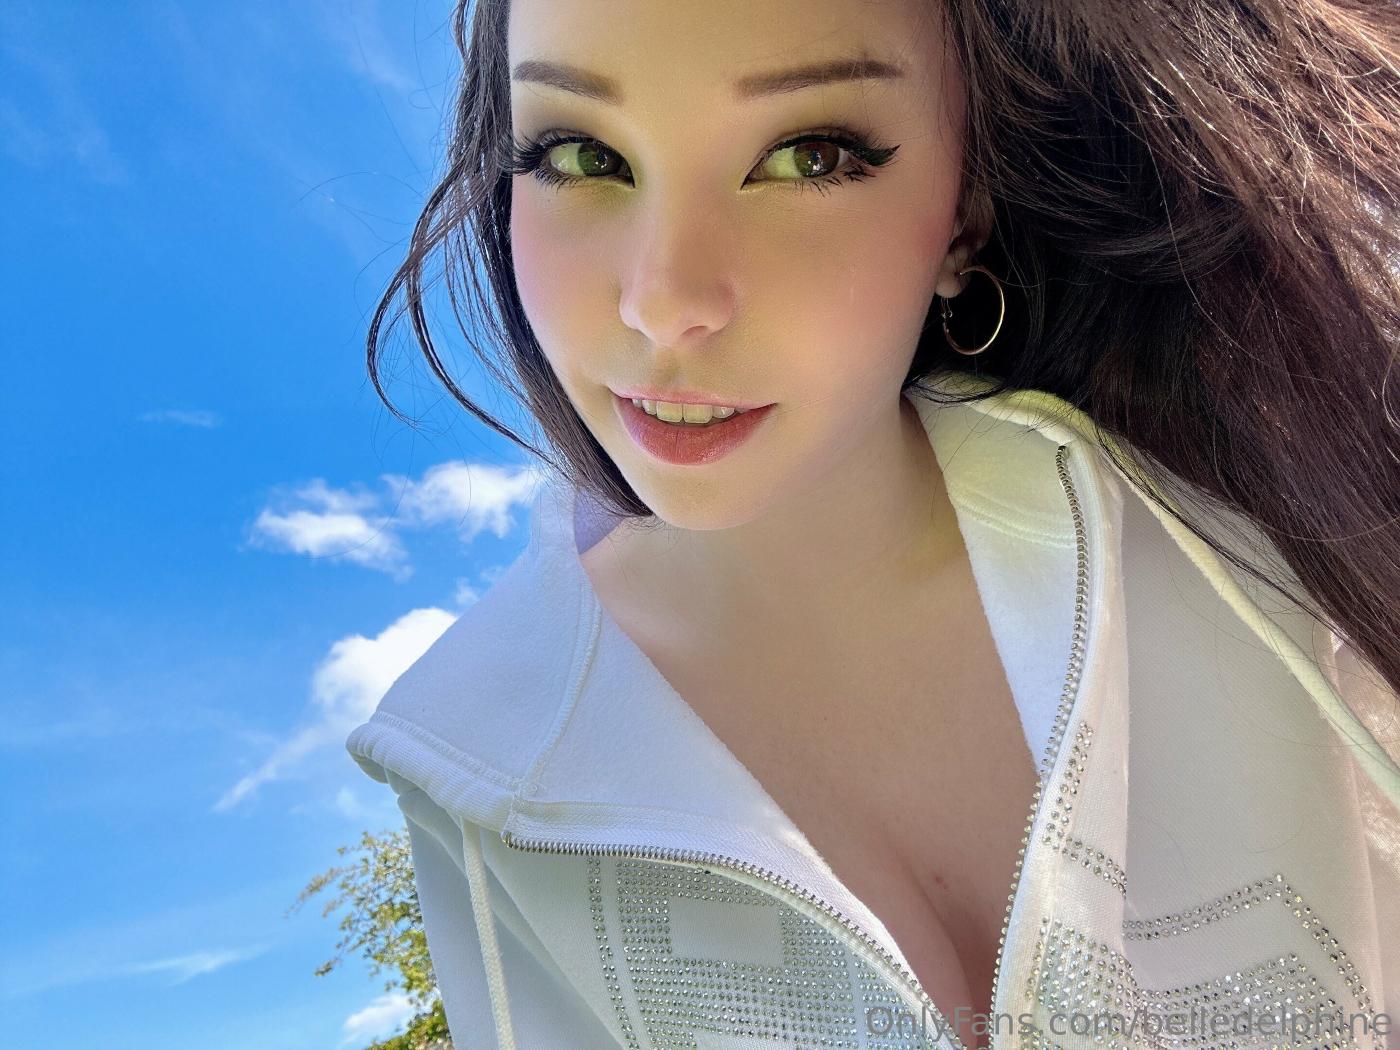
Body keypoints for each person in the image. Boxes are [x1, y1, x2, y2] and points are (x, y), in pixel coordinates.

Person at [345, 0, 1400, 1047]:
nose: (662, 302)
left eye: (808, 155)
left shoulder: (1270, 549)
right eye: (581, 155)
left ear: (965, 210)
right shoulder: (475, 771)